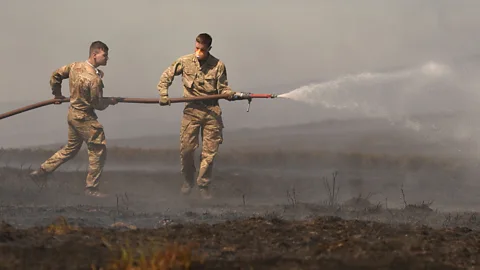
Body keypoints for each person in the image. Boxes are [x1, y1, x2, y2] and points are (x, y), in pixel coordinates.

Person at [157, 33, 245, 199]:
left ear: (209, 48)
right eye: (196, 48)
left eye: (202, 49)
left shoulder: (218, 65)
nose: (198, 52)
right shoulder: (184, 61)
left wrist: (229, 94)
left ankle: (203, 185)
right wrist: (163, 93)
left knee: (209, 154)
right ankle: (188, 181)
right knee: (187, 151)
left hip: (212, 112)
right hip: (192, 111)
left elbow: (223, 88)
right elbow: (166, 76)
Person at [29, 41, 118, 197]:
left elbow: (56, 75)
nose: (107, 58)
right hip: (84, 117)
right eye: (105, 55)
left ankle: (42, 171)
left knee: (71, 148)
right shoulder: (94, 79)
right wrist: (109, 102)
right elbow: (97, 104)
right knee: (98, 149)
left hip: (72, 114)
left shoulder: (75, 66)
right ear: (94, 54)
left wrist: (57, 93)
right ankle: (91, 189)